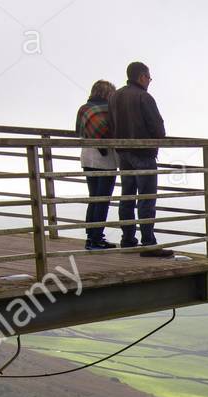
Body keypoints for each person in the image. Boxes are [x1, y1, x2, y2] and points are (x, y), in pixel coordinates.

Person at [108, 61, 171, 257]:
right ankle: (148, 243)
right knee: (146, 198)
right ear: (142, 77)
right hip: (143, 153)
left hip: (122, 152)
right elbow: (158, 128)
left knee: (127, 196)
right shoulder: (144, 97)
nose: (150, 81)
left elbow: (111, 123)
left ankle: (127, 240)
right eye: (149, 77)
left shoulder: (115, 96)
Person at [75, 80, 117, 250]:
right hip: (104, 160)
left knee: (94, 198)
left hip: (87, 156)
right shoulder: (108, 110)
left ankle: (90, 237)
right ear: (107, 93)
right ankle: (97, 238)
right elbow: (110, 133)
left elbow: (78, 131)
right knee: (103, 200)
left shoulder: (84, 109)